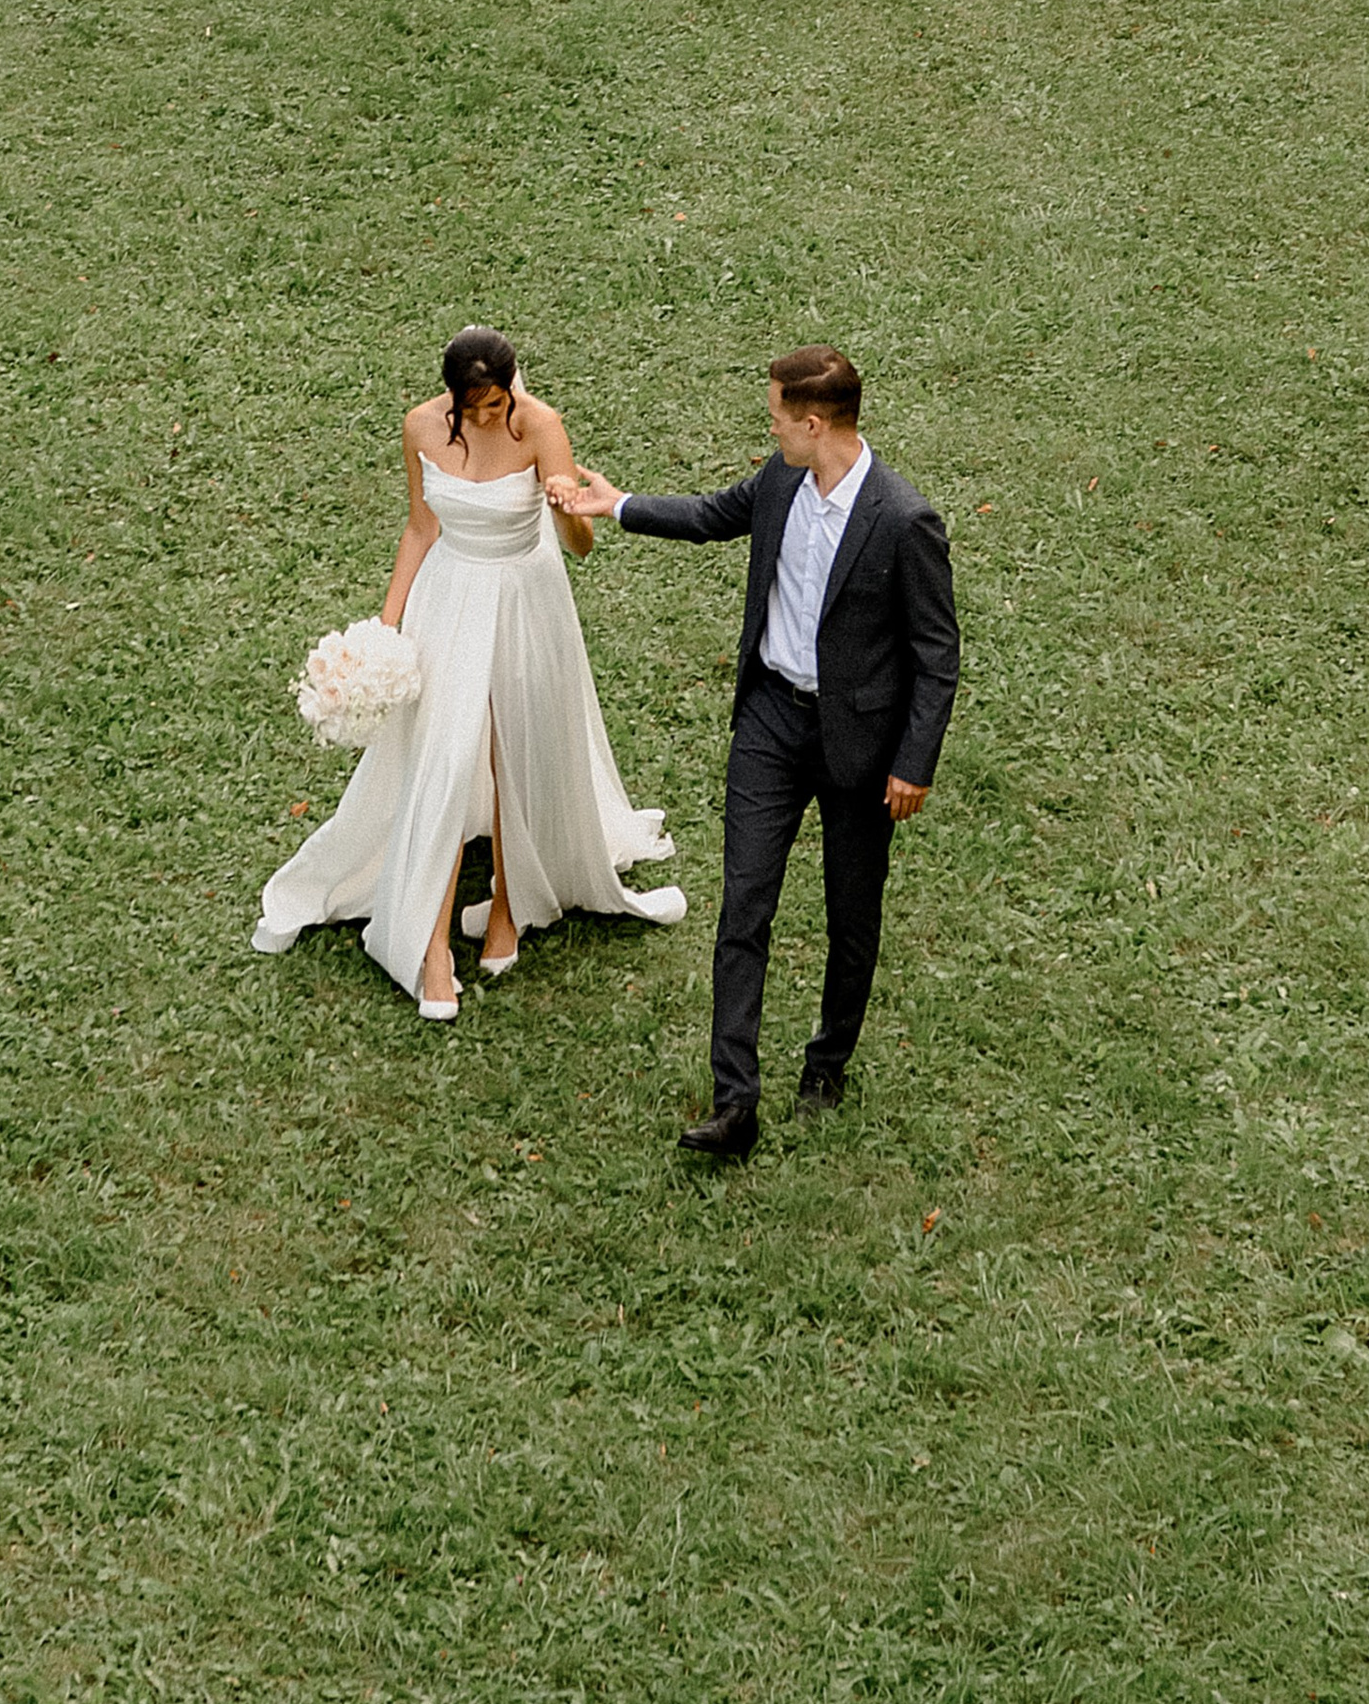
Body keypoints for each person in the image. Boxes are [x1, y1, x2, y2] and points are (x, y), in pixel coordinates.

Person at [563, 348, 958, 1160]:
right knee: (744, 907)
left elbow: (936, 652)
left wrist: (913, 762)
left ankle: (827, 1063)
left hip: (858, 744)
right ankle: (735, 1104)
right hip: (773, 721)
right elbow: (714, 515)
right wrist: (619, 505)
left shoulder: (901, 518)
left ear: (815, 425)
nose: (771, 426)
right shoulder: (781, 481)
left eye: (778, 415)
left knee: (852, 916)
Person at [254, 329, 684, 1017]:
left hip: (525, 599)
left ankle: (510, 910)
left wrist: (564, 508)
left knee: (517, 748)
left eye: (495, 406)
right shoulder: (421, 426)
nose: (485, 419)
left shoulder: (542, 426)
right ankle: (430, 948)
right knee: (447, 760)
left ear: (513, 385)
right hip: (450, 596)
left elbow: (581, 545)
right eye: (472, 408)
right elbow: (421, 529)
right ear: (451, 396)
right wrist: (385, 628)